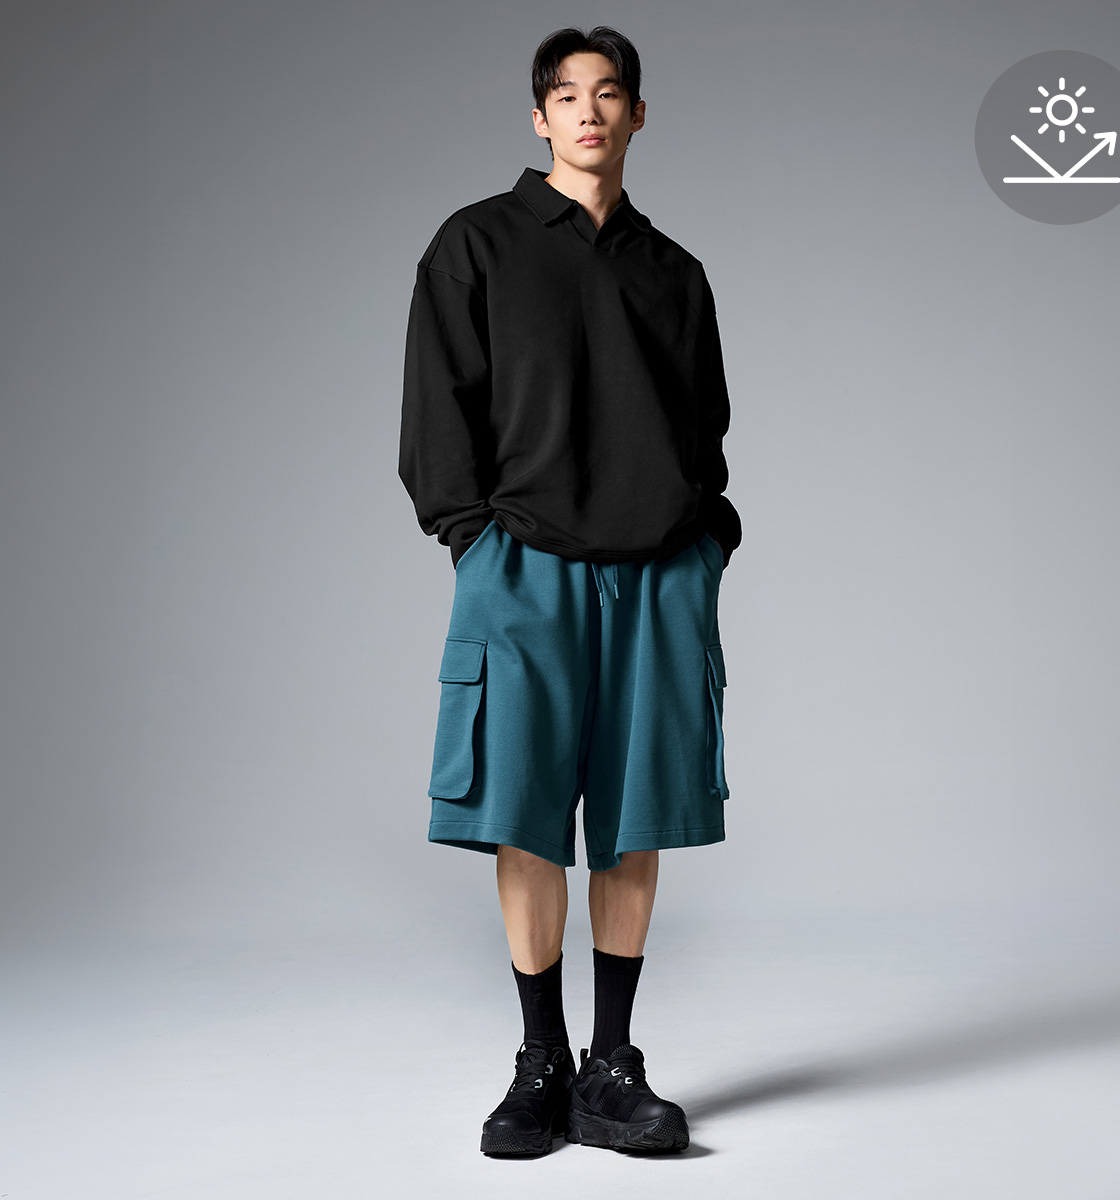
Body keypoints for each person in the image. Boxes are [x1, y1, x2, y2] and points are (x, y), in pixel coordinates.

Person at [398, 24, 741, 1157]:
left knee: (634, 820)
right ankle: (540, 1063)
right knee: (527, 814)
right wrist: (473, 543)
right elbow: (438, 410)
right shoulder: (477, 245)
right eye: (565, 95)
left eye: (608, 93)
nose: (588, 111)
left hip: (657, 575)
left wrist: (704, 541)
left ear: (638, 114)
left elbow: (705, 429)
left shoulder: (673, 273)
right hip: (523, 569)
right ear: (539, 117)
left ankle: (612, 1066)